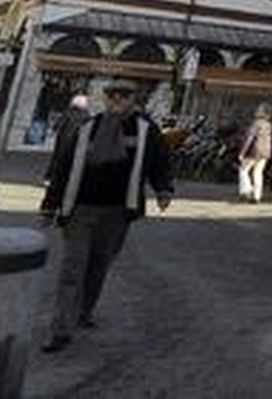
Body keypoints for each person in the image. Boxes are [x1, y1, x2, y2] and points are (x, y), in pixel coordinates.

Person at [39, 80, 173, 353]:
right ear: (105, 99)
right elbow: (64, 167)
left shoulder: (146, 130)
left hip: (117, 211)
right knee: (72, 267)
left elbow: (159, 160)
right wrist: (50, 205)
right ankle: (61, 328)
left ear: (134, 100)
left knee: (99, 265)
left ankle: (84, 311)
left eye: (124, 96)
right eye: (112, 96)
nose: (117, 101)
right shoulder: (88, 128)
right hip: (80, 208)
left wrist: (163, 189)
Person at [238, 104, 272, 204]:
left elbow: (249, 138)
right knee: (258, 173)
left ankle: (247, 190)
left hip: (254, 151)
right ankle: (257, 196)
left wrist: (242, 152)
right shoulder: (268, 125)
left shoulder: (255, 124)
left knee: (243, 170)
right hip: (265, 152)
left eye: (258, 111)